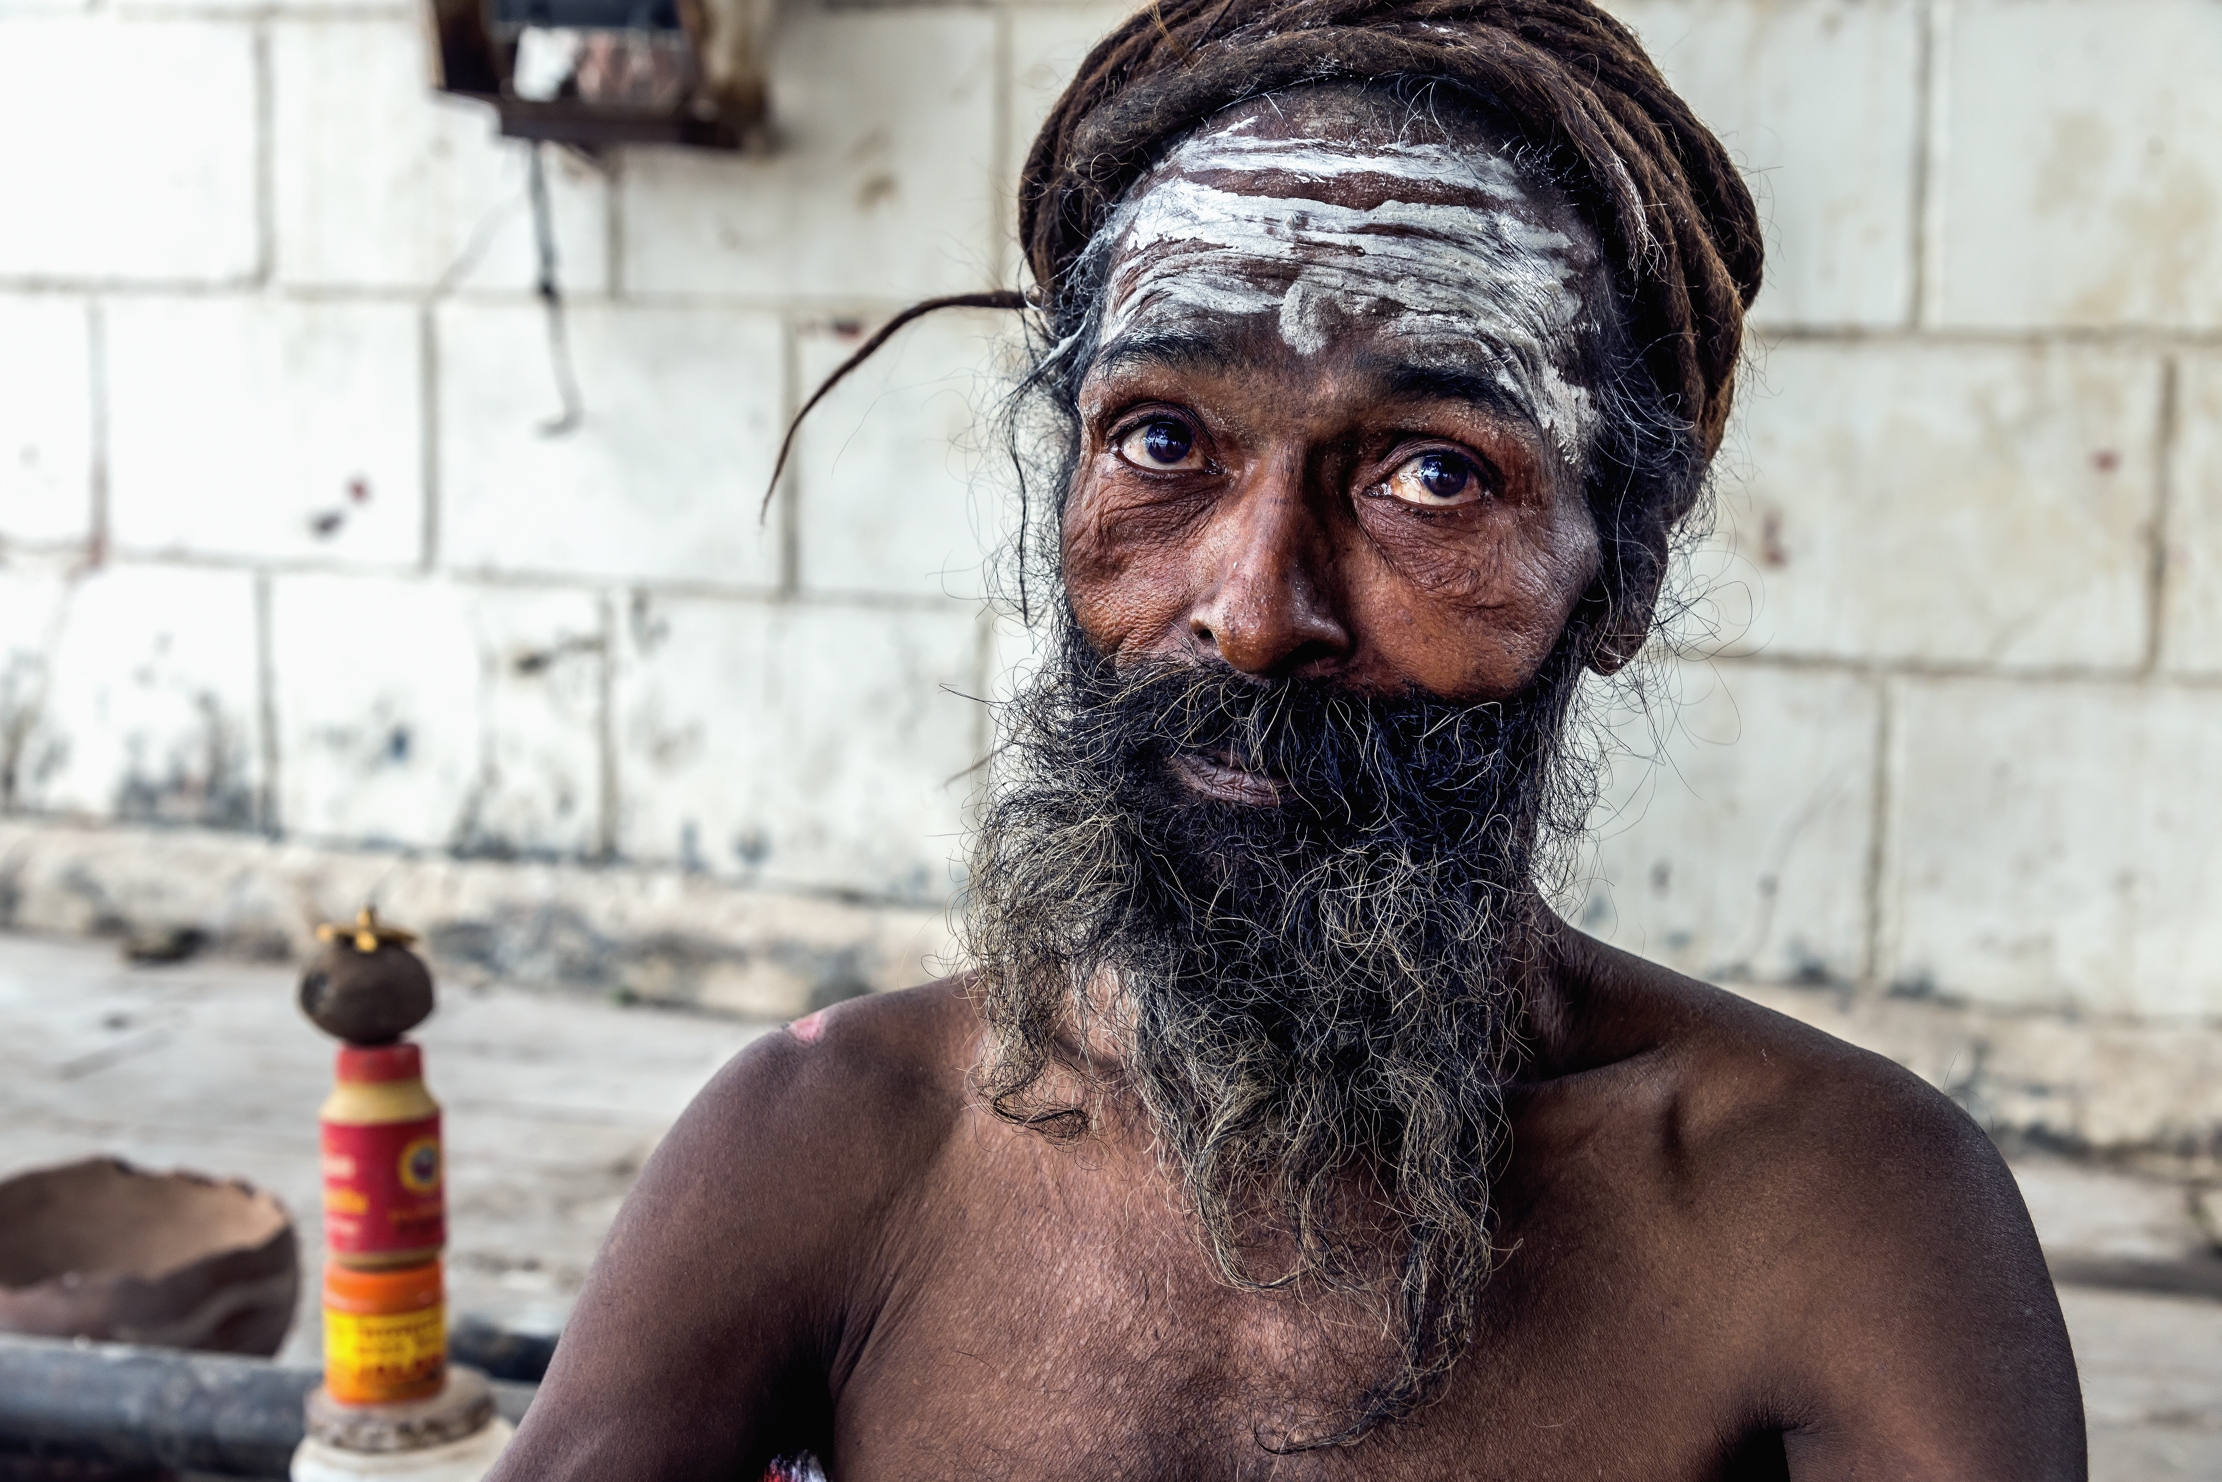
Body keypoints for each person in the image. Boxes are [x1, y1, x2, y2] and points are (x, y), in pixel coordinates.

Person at [491, 2, 2084, 1476]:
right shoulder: (831, 1142)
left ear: (1624, 577)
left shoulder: (1836, 1210)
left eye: (1431, 476)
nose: (1253, 612)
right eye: (1163, 440)